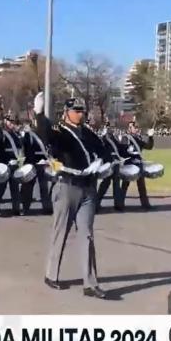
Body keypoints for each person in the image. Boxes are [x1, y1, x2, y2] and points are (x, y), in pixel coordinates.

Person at [33, 92, 108, 299]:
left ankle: (90, 283)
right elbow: (46, 134)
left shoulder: (88, 133)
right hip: (67, 186)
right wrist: (39, 114)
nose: (81, 114)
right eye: (77, 111)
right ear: (66, 112)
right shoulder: (60, 130)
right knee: (61, 231)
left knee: (87, 235)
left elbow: (104, 150)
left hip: (88, 187)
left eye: (82, 111)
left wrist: (101, 162)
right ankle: (52, 274)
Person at [20, 117, 53, 215]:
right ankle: (26, 208)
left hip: (42, 163)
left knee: (44, 187)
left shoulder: (45, 135)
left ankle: (46, 207)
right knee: (28, 187)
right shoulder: (28, 134)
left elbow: (49, 148)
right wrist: (26, 134)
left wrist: (47, 159)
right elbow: (25, 147)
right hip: (31, 162)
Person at [119, 121, 155, 210]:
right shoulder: (125, 138)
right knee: (125, 185)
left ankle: (145, 204)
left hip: (138, 164)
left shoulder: (139, 139)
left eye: (137, 127)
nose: (136, 128)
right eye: (134, 127)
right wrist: (130, 154)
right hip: (129, 163)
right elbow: (122, 151)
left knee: (141, 186)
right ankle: (120, 204)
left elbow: (149, 146)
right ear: (129, 128)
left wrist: (150, 137)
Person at [0, 111, 24, 216]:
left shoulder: (15, 134)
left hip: (14, 163)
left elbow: (19, 147)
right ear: (5, 121)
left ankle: (16, 208)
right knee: (1, 187)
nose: (12, 124)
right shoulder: (1, 133)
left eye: (13, 122)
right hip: (4, 163)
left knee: (15, 187)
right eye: (10, 121)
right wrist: (6, 160)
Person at [95, 123, 126, 212]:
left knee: (116, 184)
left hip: (115, 163)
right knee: (105, 184)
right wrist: (102, 136)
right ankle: (96, 204)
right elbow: (101, 149)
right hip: (108, 163)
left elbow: (119, 148)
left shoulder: (113, 138)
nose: (110, 129)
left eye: (111, 128)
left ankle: (118, 204)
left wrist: (126, 150)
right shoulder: (103, 139)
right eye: (108, 127)